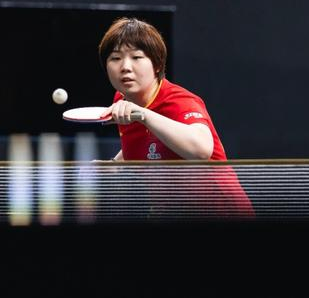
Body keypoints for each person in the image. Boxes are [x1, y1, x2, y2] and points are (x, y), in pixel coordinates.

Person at [98, 16, 254, 217]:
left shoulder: (179, 101)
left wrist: (143, 115)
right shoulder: (124, 99)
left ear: (157, 65)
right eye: (115, 58)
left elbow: (202, 150)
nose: (125, 67)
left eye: (136, 57)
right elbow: (145, 140)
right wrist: (114, 165)